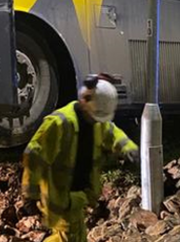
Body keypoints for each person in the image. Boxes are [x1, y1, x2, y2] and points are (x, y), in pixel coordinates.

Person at [22, 74, 139, 242]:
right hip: (59, 196)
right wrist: (30, 194)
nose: (96, 121)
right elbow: (34, 157)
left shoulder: (97, 120)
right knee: (67, 237)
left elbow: (113, 134)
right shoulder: (59, 123)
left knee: (77, 236)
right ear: (84, 101)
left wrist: (129, 149)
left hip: (80, 194)